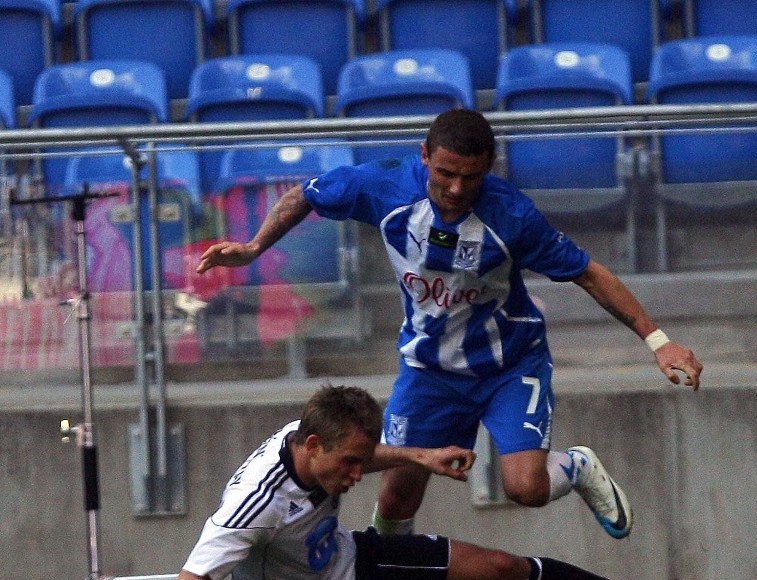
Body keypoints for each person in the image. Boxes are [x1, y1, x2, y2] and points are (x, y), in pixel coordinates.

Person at [196, 109, 704, 540]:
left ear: (490, 168)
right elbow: (304, 194)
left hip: (510, 363)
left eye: (471, 177)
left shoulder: (513, 217)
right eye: (445, 174)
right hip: (429, 369)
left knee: (525, 488)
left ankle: (577, 467)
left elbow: (589, 273)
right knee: (396, 494)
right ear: (424, 156)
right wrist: (254, 247)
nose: (457, 188)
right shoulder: (383, 186)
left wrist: (657, 340)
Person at [171, 385, 736, 580]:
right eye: (347, 465)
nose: (355, 475)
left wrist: (421, 456)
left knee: (503, 569)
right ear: (312, 447)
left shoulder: (314, 436)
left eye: (358, 462)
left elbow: (363, 455)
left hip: (354, 564)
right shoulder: (253, 504)